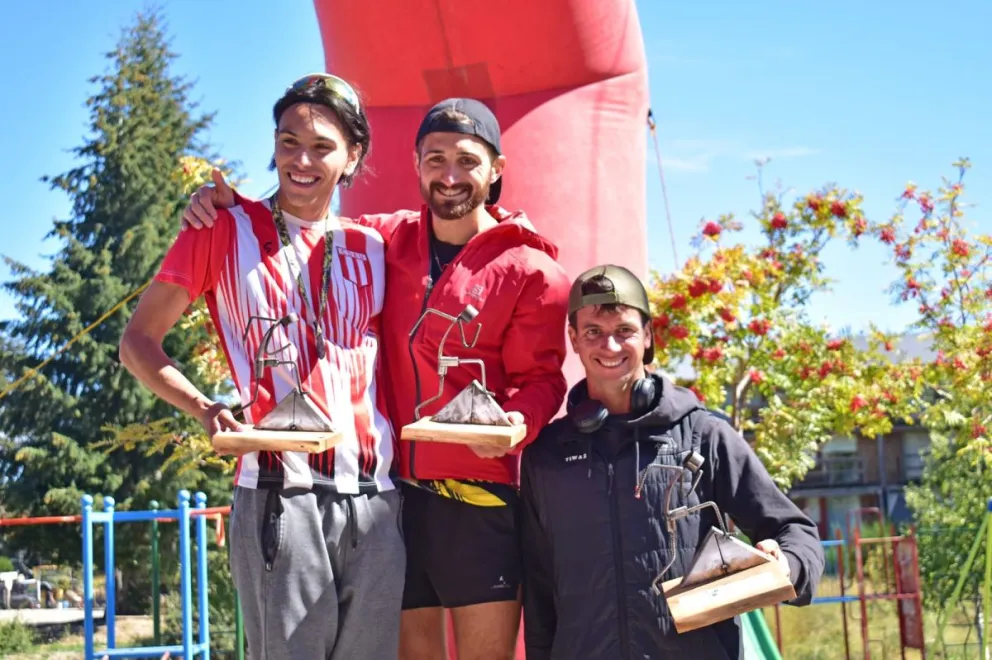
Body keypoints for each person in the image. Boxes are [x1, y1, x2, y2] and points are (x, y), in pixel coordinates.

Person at [181, 97, 571, 660]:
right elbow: (303, 215)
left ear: (496, 170)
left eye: (467, 160)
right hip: (395, 501)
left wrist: (517, 421)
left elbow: (543, 380)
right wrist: (227, 206)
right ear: (416, 164)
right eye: (435, 159)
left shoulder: (533, 269)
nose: (450, 175)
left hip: (480, 498)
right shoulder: (384, 240)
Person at [119, 73, 405, 659]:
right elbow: (137, 342)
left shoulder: (377, 243)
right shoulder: (222, 229)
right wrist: (205, 408)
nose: (302, 160)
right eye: (288, 142)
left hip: (376, 499)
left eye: (322, 146)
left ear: (353, 156)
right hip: (280, 492)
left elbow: (459, 222)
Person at [518, 264, 825, 659]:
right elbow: (539, 593)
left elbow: (794, 529)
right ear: (573, 339)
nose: (609, 345)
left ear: (648, 336)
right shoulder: (545, 457)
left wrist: (789, 564)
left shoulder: (704, 435)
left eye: (624, 331)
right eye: (593, 331)